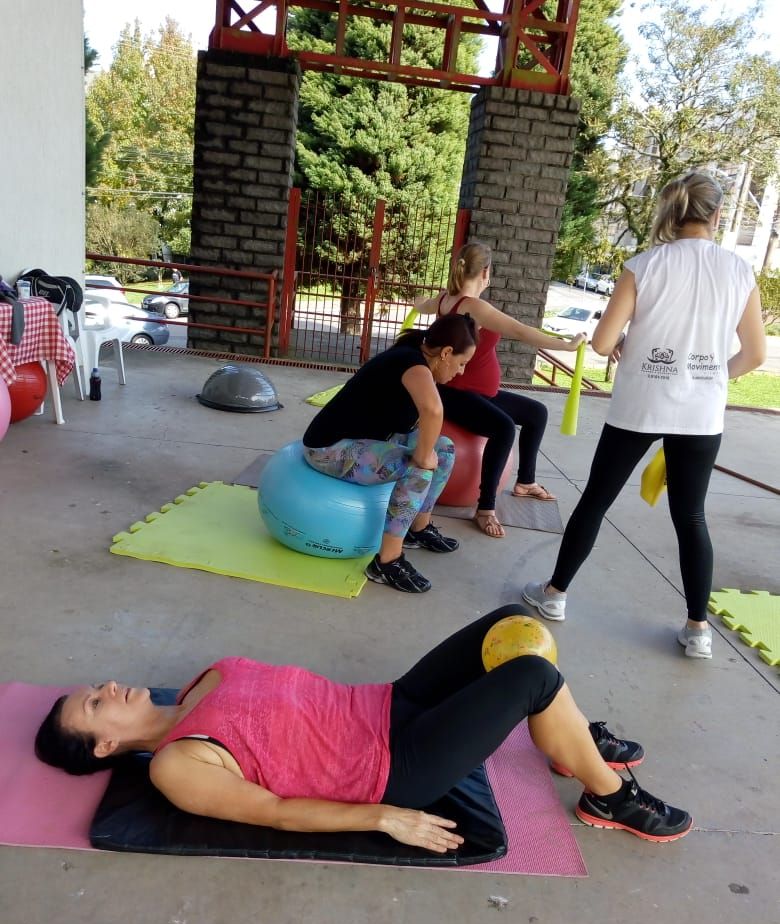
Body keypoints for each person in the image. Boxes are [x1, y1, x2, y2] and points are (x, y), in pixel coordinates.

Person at [35, 604, 692, 848]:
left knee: (511, 625)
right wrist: (383, 818)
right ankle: (609, 795)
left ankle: (563, 737)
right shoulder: (180, 764)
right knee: (532, 678)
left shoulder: (198, 682)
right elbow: (276, 812)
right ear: (106, 746)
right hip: (394, 766)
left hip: (387, 704)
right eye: (95, 705)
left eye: (94, 689)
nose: (107, 688)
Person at [523, 172, 767, 659]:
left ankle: (554, 596)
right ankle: (698, 629)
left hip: (639, 404)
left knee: (596, 500)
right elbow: (755, 355)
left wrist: (626, 344)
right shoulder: (739, 272)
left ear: (670, 214)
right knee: (691, 516)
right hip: (701, 415)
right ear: (718, 215)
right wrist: (715, 377)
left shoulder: (644, 265)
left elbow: (601, 342)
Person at [414, 243, 586, 538]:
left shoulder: (447, 299)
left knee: (536, 413)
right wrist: (568, 345)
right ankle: (485, 508)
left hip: (480, 393)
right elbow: (520, 331)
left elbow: (425, 304)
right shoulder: (474, 307)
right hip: (456, 393)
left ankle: (525, 482)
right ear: (486, 272)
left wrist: (418, 302)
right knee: (504, 429)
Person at [302, 313, 476, 594]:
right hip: (328, 448)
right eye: (461, 363)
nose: (461, 371)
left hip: (367, 438)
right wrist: (421, 457)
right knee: (418, 468)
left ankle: (417, 530)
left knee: (444, 449)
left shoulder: (418, 354)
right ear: (446, 353)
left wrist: (427, 452)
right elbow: (433, 411)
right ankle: (387, 562)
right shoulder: (411, 362)